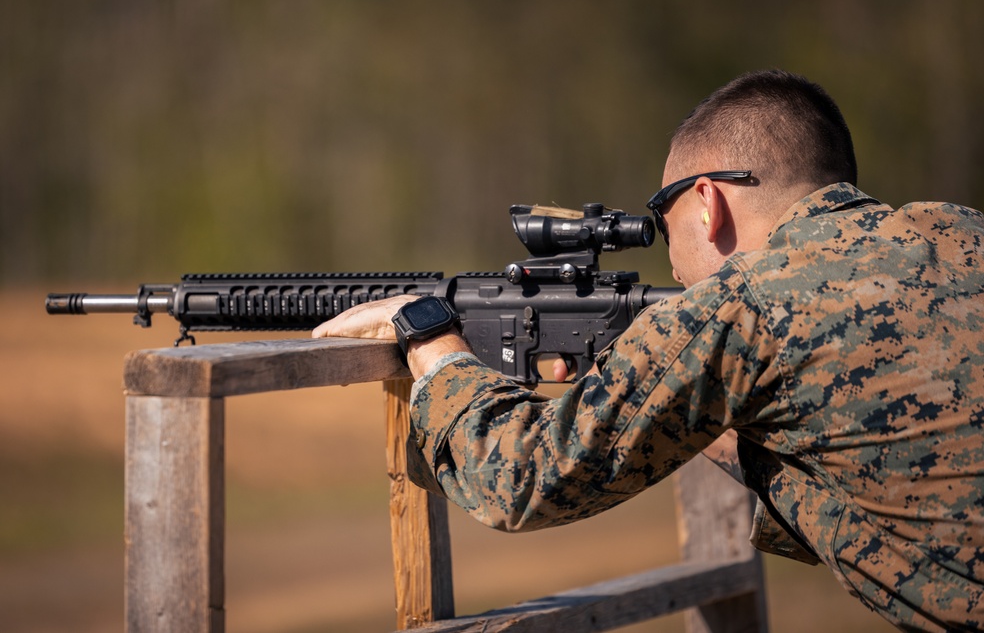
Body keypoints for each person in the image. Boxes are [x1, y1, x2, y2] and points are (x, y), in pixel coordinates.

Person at [313, 70, 984, 631]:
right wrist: (661, 400)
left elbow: (519, 478)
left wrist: (431, 338)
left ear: (706, 203)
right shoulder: (958, 231)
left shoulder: (744, 303)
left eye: (662, 214)